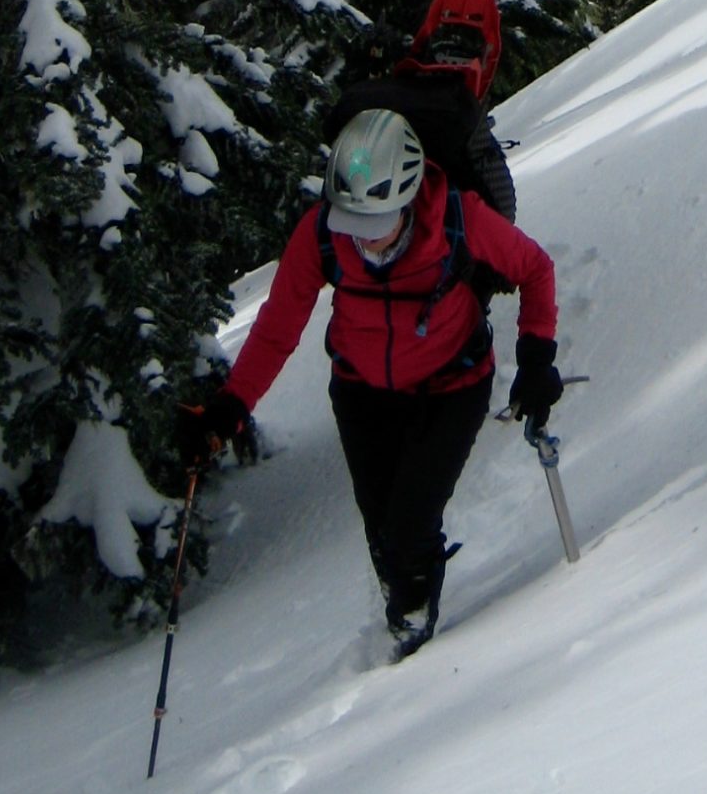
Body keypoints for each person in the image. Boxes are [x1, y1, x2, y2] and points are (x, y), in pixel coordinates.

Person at [177, 107, 561, 658]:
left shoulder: (460, 218)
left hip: (451, 386)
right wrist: (228, 410)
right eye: (352, 226)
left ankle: (413, 632)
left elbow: (535, 269)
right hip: (362, 394)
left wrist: (536, 356)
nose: (366, 243)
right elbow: (276, 329)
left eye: (377, 226)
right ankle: (403, 598)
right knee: (382, 532)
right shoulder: (322, 236)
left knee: (409, 526)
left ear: (407, 200)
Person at [323, 0, 515, 220]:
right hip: (440, 237)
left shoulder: (361, 97)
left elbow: (330, 130)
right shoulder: (461, 115)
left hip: (351, 219)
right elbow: (503, 209)